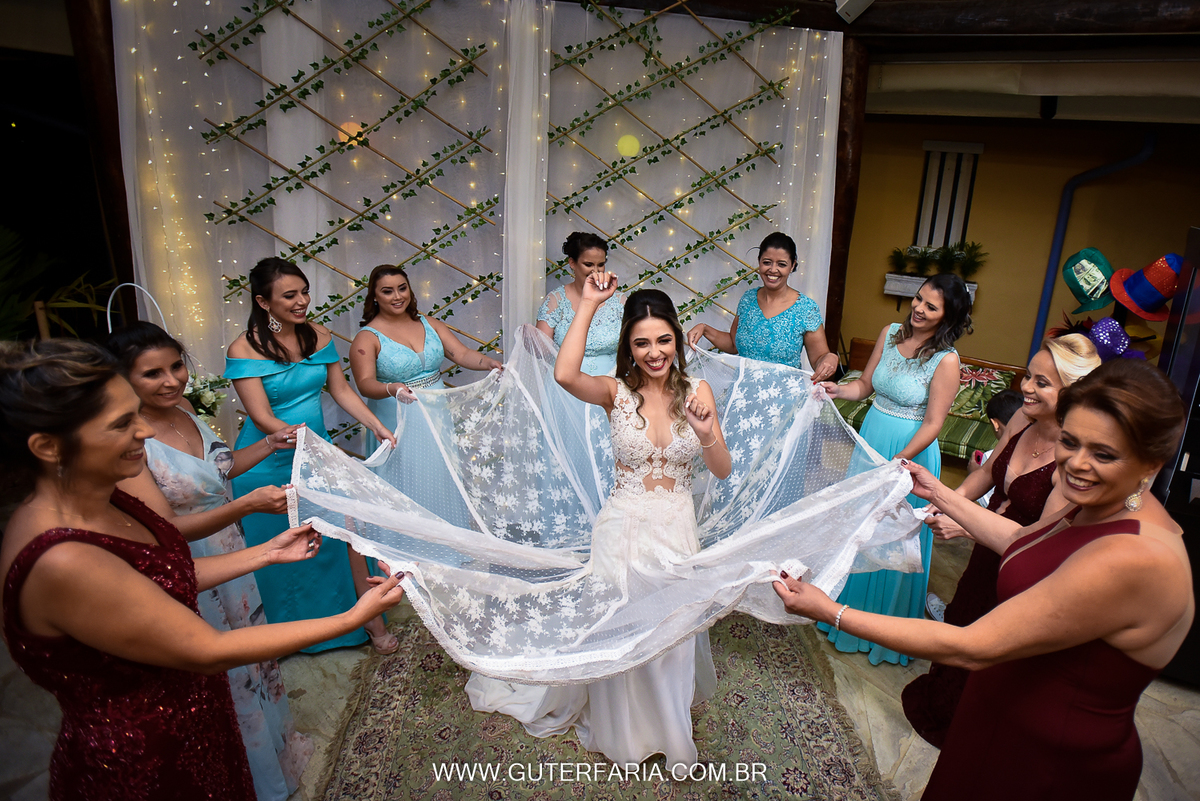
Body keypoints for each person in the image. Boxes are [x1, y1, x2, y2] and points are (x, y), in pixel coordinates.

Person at [0, 339, 406, 801]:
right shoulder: (63, 558)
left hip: (195, 718)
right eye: (121, 424)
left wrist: (265, 553)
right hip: (144, 756)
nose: (144, 433)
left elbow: (158, 580)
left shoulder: (104, 497)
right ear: (48, 447)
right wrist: (351, 618)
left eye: (136, 414)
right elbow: (208, 648)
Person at [775, 358, 1194, 801]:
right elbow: (1020, 539)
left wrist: (829, 610)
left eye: (1104, 454)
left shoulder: (1133, 557)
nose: (1075, 464)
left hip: (1048, 755)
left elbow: (970, 645)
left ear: (1152, 461)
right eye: (1070, 442)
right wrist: (936, 491)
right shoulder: (1097, 501)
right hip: (1000, 711)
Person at [466, 277, 732, 770]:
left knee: (671, 634)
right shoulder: (615, 392)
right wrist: (587, 304)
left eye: (663, 339)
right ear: (628, 347)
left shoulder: (699, 390)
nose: (655, 353)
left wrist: (705, 432)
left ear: (677, 336)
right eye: (642, 342)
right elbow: (565, 375)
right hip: (623, 529)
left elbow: (722, 469)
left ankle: (670, 731)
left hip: (676, 530)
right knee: (619, 628)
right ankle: (624, 733)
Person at [105, 321, 311, 800]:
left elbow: (219, 470)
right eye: (151, 374)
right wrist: (245, 506)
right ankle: (247, 780)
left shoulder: (183, 411)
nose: (171, 380)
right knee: (223, 673)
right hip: (187, 564)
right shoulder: (130, 443)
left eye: (176, 366)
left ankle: (275, 761)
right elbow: (165, 531)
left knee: (252, 657)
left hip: (230, 552)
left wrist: (267, 445)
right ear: (122, 380)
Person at [904, 334, 1100, 744]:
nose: (1026, 387)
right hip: (985, 556)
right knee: (962, 622)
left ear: (1074, 392)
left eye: (1042, 383)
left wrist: (965, 521)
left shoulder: (1075, 459)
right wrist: (949, 504)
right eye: (1029, 376)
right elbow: (984, 472)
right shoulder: (1022, 420)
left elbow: (1036, 542)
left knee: (992, 651)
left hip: (1025, 574)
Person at [226, 257, 398, 654]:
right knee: (281, 551)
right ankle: (283, 637)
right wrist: (304, 443)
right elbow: (261, 416)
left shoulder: (319, 336)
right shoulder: (243, 348)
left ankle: (361, 624)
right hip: (267, 460)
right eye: (290, 295)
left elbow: (340, 391)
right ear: (263, 302)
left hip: (317, 452)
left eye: (304, 292)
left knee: (341, 536)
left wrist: (375, 425)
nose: (302, 301)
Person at [816, 273, 972, 665]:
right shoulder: (889, 334)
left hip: (910, 454)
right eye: (918, 299)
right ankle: (845, 615)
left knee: (895, 537)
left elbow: (934, 423)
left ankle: (886, 630)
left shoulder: (946, 360)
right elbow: (865, 385)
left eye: (931, 306)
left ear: (947, 317)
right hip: (872, 443)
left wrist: (901, 460)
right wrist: (838, 389)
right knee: (860, 526)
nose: (919, 308)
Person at [349, 263, 501, 455]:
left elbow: (461, 354)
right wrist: (392, 388)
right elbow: (364, 384)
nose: (398, 296)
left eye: (402, 288)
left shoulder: (429, 323)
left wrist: (489, 363)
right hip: (396, 418)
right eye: (388, 291)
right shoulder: (367, 338)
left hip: (437, 413)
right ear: (374, 297)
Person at [686, 231, 838, 381]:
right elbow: (734, 344)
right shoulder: (748, 300)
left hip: (785, 400)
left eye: (782, 264)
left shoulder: (805, 309)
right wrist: (705, 329)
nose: (772, 269)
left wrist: (829, 358)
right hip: (742, 396)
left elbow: (819, 358)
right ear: (759, 262)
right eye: (767, 262)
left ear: (792, 266)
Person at [536, 232, 625, 376]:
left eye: (601, 265)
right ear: (572, 263)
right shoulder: (555, 300)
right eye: (588, 264)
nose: (595, 271)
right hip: (565, 386)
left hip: (610, 382)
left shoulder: (619, 301)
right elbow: (542, 351)